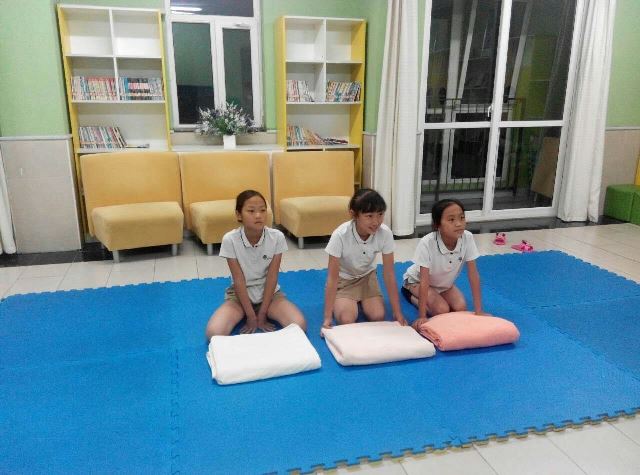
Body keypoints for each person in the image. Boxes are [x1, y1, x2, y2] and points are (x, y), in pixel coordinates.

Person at [205, 190, 306, 339]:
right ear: (239, 215)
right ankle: (247, 312)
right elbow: (238, 280)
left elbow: (272, 277)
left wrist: (263, 313)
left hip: (270, 295)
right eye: (251, 211)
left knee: (299, 325)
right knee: (213, 333)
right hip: (239, 297)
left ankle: (264, 310)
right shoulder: (230, 239)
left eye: (262, 210)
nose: (258, 215)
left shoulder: (277, 237)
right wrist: (251, 316)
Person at [323, 188, 407, 329]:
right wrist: (327, 318)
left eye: (380, 214)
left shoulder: (385, 233)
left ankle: (362, 301)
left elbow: (389, 274)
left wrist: (397, 312)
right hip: (344, 281)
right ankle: (347, 302)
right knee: (346, 319)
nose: (376, 222)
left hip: (367, 278)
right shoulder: (340, 235)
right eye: (369, 216)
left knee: (378, 316)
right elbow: (332, 277)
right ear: (353, 214)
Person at [402, 198, 488, 329]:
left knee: (461, 307)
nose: (458, 224)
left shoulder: (468, 237)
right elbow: (424, 281)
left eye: (462, 218)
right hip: (417, 282)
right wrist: (422, 316)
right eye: (451, 220)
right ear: (438, 224)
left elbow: (473, 275)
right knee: (441, 310)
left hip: (444, 284)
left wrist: (478, 310)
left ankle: (437, 296)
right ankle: (409, 294)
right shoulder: (427, 242)